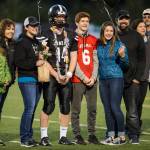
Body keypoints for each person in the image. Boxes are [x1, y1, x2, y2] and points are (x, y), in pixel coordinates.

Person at [39, 4, 77, 146]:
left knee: (65, 106)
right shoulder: (45, 33)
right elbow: (43, 58)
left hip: (66, 74)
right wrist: (56, 75)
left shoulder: (71, 33)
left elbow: (74, 56)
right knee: (48, 105)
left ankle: (63, 137)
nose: (61, 19)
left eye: (62, 16)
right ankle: (44, 137)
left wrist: (68, 73)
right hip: (51, 74)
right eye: (58, 16)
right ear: (52, 17)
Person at [116, 10, 146, 144]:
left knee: (132, 110)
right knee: (114, 108)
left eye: (126, 19)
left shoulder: (137, 36)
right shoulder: (113, 35)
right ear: (117, 20)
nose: (124, 21)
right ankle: (114, 133)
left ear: (129, 20)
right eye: (121, 19)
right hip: (115, 78)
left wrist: (137, 78)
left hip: (132, 80)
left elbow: (142, 60)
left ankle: (134, 135)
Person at [97, 21, 128, 145]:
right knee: (107, 109)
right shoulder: (99, 44)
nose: (109, 33)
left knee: (115, 107)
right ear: (103, 32)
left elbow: (126, 65)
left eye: (111, 31)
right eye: (106, 31)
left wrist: (122, 56)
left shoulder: (119, 45)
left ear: (114, 32)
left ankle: (121, 136)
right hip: (103, 80)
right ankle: (110, 135)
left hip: (116, 78)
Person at [71, 12, 99, 145]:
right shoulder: (72, 38)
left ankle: (92, 134)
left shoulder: (93, 39)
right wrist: (84, 77)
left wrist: (93, 77)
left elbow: (96, 60)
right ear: (77, 23)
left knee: (92, 108)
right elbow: (73, 61)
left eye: (87, 21)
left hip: (92, 80)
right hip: (78, 79)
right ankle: (77, 135)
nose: (85, 23)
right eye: (82, 21)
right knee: (76, 109)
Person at [14, 16, 43, 147]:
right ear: (26, 27)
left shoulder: (36, 42)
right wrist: (36, 62)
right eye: (32, 25)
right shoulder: (21, 42)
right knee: (29, 109)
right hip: (26, 78)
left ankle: (29, 137)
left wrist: (44, 53)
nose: (35, 27)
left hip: (37, 79)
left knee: (32, 109)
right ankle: (24, 138)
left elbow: (39, 58)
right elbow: (19, 62)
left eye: (36, 25)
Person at [131, 18, 150, 131]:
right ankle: (132, 126)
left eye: (144, 26)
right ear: (135, 29)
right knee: (132, 105)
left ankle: (136, 125)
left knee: (139, 104)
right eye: (140, 26)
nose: (143, 28)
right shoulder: (132, 41)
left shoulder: (147, 41)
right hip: (133, 79)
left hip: (144, 78)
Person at [0, 18, 16, 120]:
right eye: (8, 28)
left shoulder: (13, 44)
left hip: (7, 82)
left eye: (13, 29)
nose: (11, 31)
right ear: (2, 29)